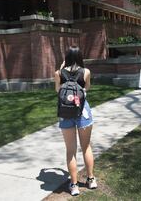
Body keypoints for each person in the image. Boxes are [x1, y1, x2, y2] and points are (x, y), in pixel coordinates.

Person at [54, 46, 97, 196]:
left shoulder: (59, 73)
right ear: (79, 57)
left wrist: (61, 69)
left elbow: (58, 91)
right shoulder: (86, 72)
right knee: (86, 147)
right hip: (83, 112)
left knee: (70, 150)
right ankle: (91, 179)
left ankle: (74, 185)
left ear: (66, 57)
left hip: (65, 113)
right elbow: (87, 88)